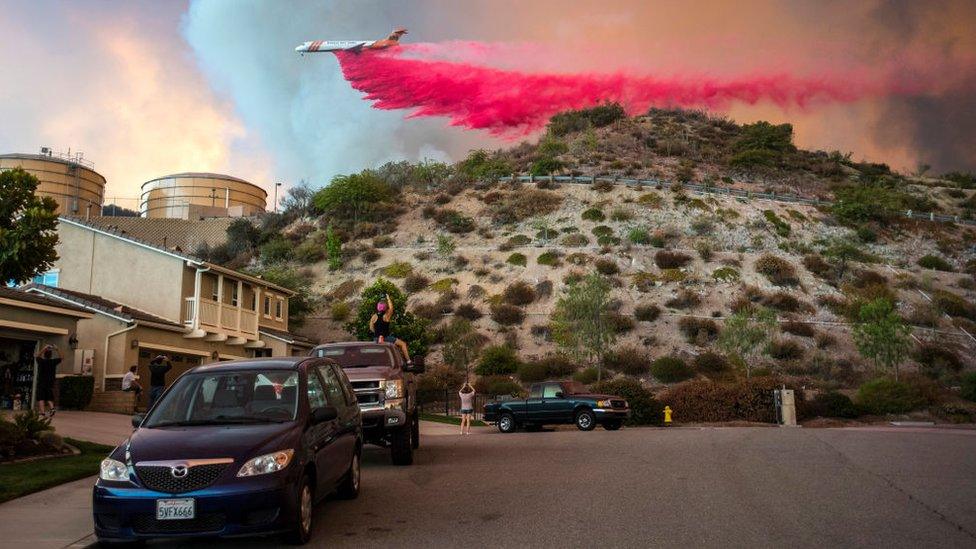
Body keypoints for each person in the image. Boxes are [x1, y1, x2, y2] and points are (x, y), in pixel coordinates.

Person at [369, 294, 412, 364]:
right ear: (385, 307)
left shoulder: (373, 317)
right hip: (386, 337)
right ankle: (408, 361)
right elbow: (391, 307)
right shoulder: (387, 315)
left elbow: (371, 328)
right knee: (403, 344)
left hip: (376, 339)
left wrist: (378, 333)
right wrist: (388, 298)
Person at [34, 344, 61, 417]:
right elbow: (62, 357)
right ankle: (52, 408)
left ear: (44, 355)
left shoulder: (41, 361)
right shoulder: (53, 362)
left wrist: (44, 348)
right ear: (51, 355)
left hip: (41, 382)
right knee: (49, 396)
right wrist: (57, 349)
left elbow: (37, 356)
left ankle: (42, 412)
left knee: (41, 397)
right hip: (50, 382)